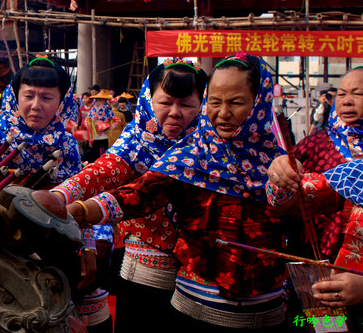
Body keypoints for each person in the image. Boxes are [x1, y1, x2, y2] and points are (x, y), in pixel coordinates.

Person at [68, 53, 288, 331]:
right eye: (215, 102)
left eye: (236, 102)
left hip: (267, 307)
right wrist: (79, 208)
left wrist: (290, 181)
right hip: (193, 303)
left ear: (259, 103)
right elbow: (140, 192)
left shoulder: (280, 157)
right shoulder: (192, 152)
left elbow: (303, 214)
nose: (222, 113)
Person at [48, 59, 206, 333]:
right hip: (146, 267)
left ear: (203, 105)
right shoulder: (136, 139)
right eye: (165, 102)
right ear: (149, 100)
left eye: (187, 105)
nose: (175, 113)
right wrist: (60, 196)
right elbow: (102, 171)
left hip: (204, 275)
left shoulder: (212, 142)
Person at [268, 65, 363, 259]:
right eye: (341, 94)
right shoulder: (315, 144)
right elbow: (289, 198)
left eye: (358, 94)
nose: (347, 102)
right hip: (321, 257)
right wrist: (280, 174)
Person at [0, 57, 81, 185]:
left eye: (46, 98)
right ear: (15, 97)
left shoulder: (68, 145)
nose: (36, 105)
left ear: (62, 103)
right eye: (28, 96)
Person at [82, 90, 122, 163]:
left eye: (99, 100)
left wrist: (110, 128)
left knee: (101, 157)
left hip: (103, 137)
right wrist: (90, 125)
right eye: (96, 100)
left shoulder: (107, 110)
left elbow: (118, 120)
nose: (97, 102)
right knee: (90, 157)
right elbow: (86, 121)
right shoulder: (92, 110)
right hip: (92, 137)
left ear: (103, 101)